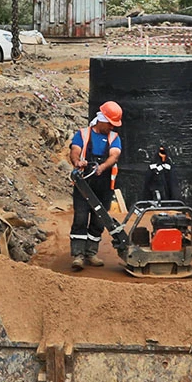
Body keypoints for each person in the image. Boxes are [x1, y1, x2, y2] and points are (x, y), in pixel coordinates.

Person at [68, 100, 123, 270]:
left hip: (104, 184)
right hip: (84, 184)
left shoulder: (114, 138)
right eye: (111, 124)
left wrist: (103, 167)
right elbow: (75, 151)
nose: (112, 127)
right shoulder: (83, 134)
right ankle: (78, 255)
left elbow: (114, 155)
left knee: (99, 220)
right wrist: (78, 162)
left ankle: (91, 252)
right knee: (81, 218)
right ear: (102, 119)